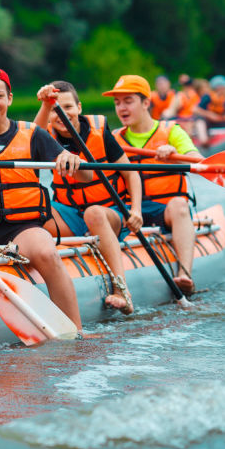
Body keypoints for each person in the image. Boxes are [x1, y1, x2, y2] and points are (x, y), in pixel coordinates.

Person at [0, 65, 86, 332]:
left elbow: (84, 178)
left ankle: (76, 330)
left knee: (46, 252)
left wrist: (71, 159)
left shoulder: (34, 134)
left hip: (23, 228)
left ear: (9, 98)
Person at [34, 80, 143, 315]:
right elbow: (32, 135)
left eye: (68, 107)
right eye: (55, 109)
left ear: (79, 107)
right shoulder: (46, 134)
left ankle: (121, 290)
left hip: (109, 212)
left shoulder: (99, 131)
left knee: (94, 212)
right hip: (69, 213)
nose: (62, 114)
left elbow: (130, 173)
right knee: (33, 211)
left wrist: (136, 210)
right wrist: (45, 105)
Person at [106, 75, 202, 294]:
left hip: (166, 210)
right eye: (117, 103)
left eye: (128, 101)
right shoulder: (113, 138)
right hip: (130, 211)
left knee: (179, 204)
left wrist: (175, 155)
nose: (122, 108)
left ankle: (185, 273)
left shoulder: (171, 131)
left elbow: (197, 160)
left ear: (146, 103)